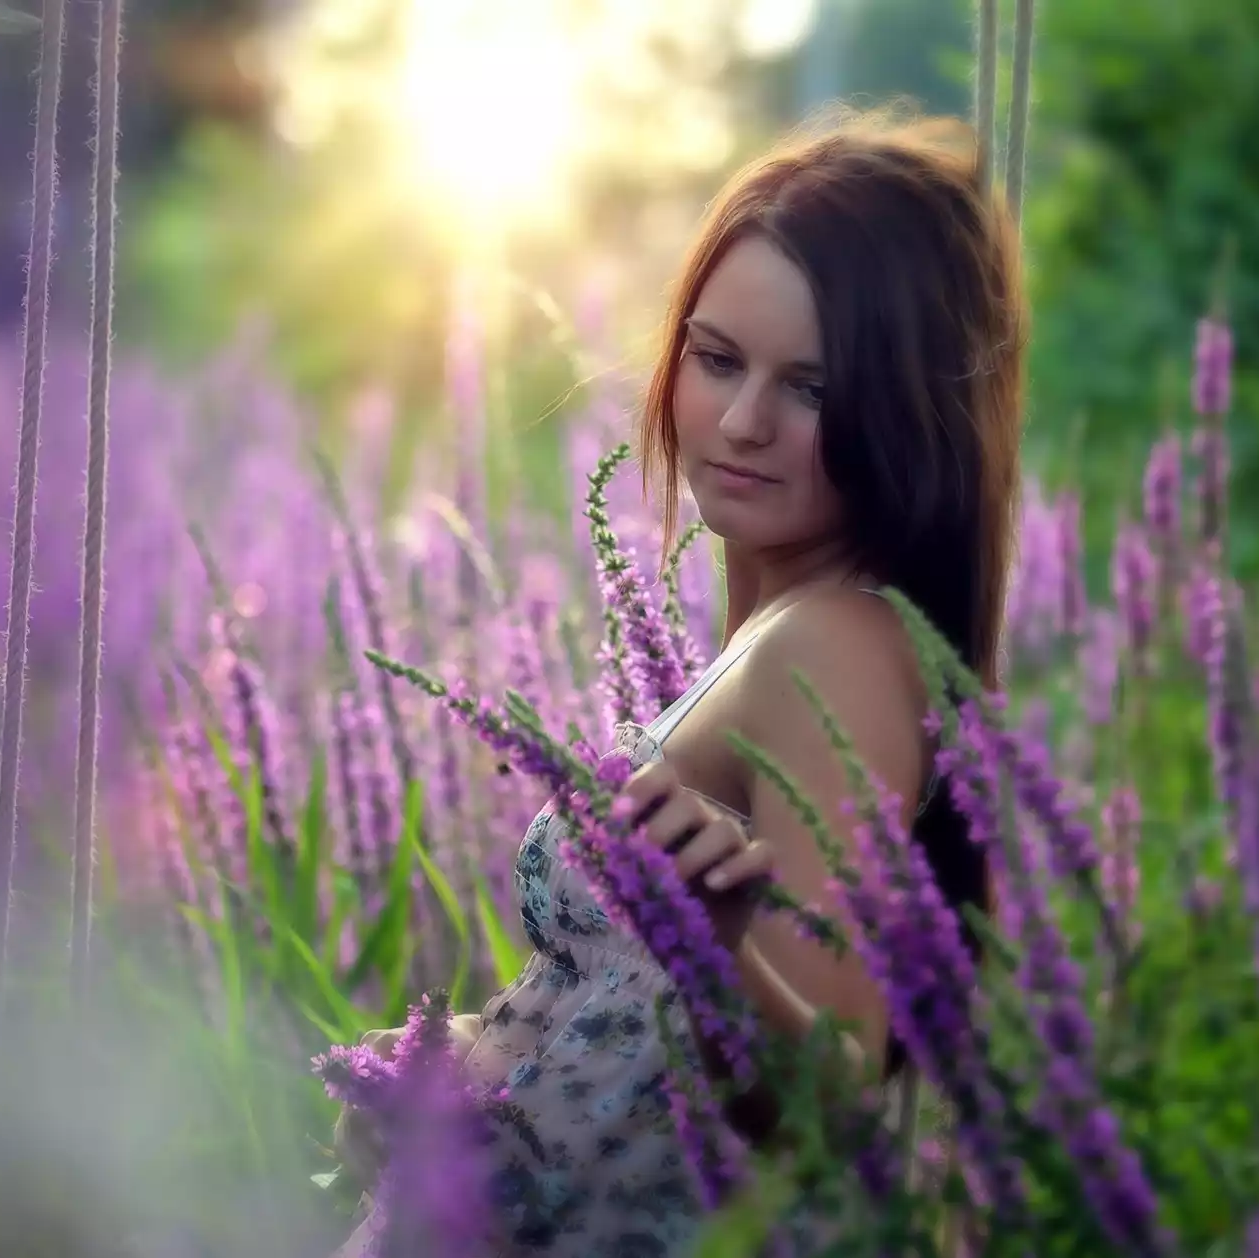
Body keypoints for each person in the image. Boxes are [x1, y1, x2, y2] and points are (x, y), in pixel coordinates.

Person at [333, 102, 1023, 1257]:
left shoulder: (834, 645)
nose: (744, 422)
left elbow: (822, 1109)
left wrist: (712, 933)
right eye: (716, 360)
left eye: (811, 386)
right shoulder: (784, 634)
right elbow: (627, 1036)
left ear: (909, 409)